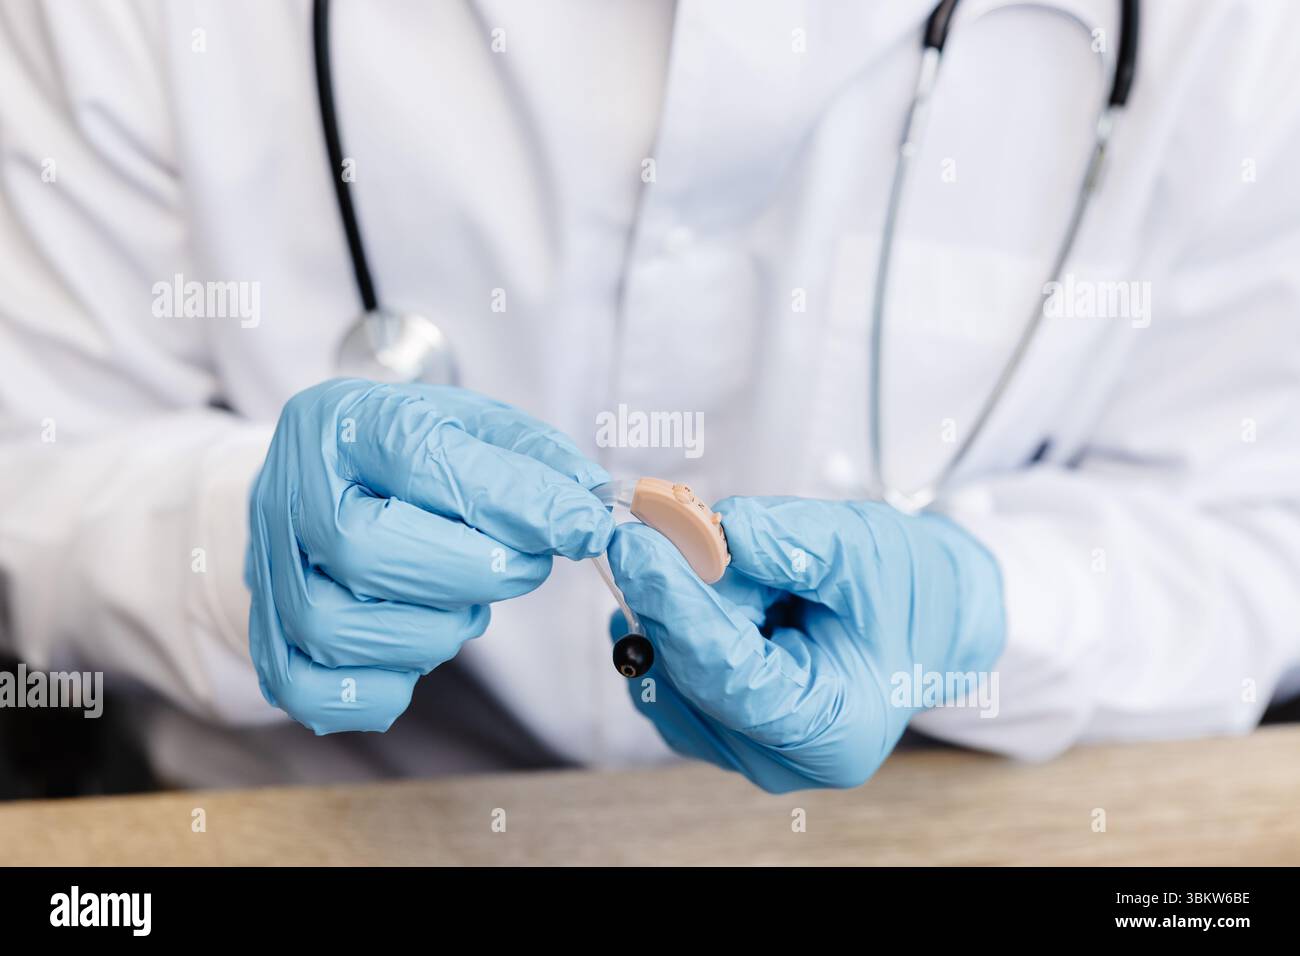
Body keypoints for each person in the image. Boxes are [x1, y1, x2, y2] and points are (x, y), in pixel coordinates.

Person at [1, 0, 1297, 793]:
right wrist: (241, 544)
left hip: (934, 826)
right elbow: (33, 467)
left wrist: (983, 614)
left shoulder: (1234, 39)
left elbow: (1253, 527)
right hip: (304, 820)